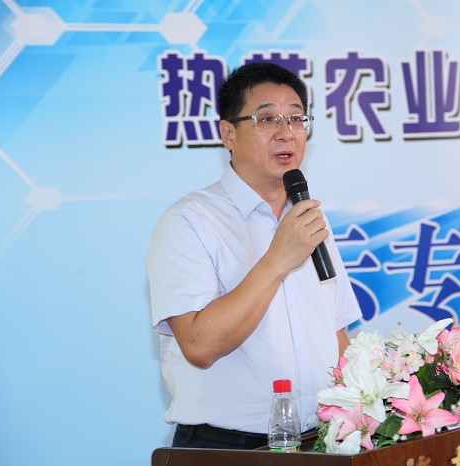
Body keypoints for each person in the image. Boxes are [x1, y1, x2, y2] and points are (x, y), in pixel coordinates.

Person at [146, 62, 361, 450]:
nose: (286, 132)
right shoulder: (188, 221)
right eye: (267, 119)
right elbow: (198, 345)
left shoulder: (308, 217)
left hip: (318, 442)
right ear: (228, 134)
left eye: (296, 118)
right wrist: (278, 259)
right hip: (225, 449)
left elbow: (335, 333)